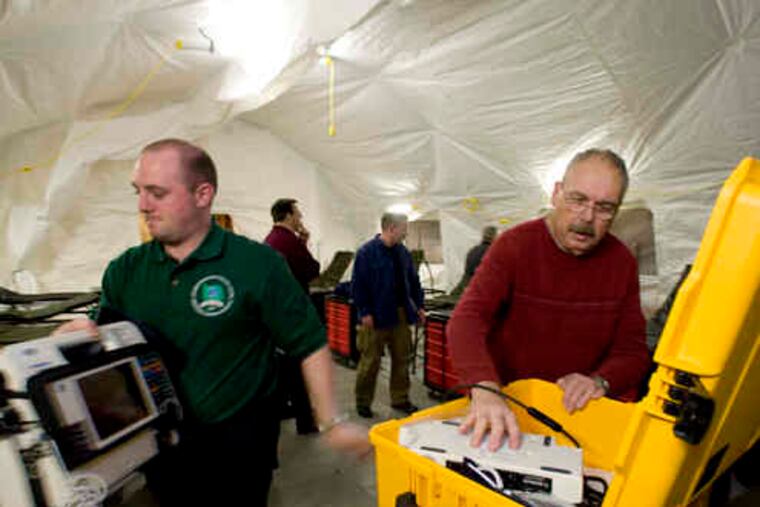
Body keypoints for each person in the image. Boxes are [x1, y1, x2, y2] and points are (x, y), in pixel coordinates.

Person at [53, 139, 369, 506]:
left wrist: (331, 420)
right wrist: (72, 345)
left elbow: (308, 343)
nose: (142, 205)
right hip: (161, 449)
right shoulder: (125, 270)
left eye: (157, 192)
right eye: (138, 192)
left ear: (202, 194)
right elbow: (110, 343)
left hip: (238, 448)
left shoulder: (257, 265)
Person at [447, 148, 651, 452]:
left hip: (575, 420)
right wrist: (484, 386)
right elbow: (466, 320)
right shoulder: (514, 246)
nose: (587, 217)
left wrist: (600, 381)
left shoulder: (622, 262)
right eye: (578, 200)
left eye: (604, 207)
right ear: (557, 193)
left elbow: (632, 351)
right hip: (506, 411)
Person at [351, 213, 425, 418]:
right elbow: (358, 285)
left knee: (402, 359)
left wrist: (419, 306)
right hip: (376, 315)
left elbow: (413, 281)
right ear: (392, 228)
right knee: (370, 362)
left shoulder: (403, 252)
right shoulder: (366, 252)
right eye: (404, 227)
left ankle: (400, 399)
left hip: (401, 315)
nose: (407, 232)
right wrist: (364, 311)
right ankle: (363, 402)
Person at [265, 198, 321, 434]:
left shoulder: (270, 240)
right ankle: (305, 422)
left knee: (283, 367)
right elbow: (312, 270)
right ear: (287, 216)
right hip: (293, 315)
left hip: (275, 316)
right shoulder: (289, 241)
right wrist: (304, 243)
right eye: (297, 214)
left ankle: (282, 409)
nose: (300, 218)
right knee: (300, 369)